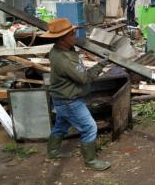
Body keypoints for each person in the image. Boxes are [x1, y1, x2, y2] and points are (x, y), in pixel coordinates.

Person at [41, 18, 111, 171]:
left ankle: (52, 152)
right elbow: (84, 78)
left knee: (61, 125)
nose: (75, 36)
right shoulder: (63, 59)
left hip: (63, 98)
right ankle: (91, 161)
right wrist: (101, 64)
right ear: (61, 39)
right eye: (72, 34)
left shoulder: (64, 49)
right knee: (89, 128)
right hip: (69, 100)